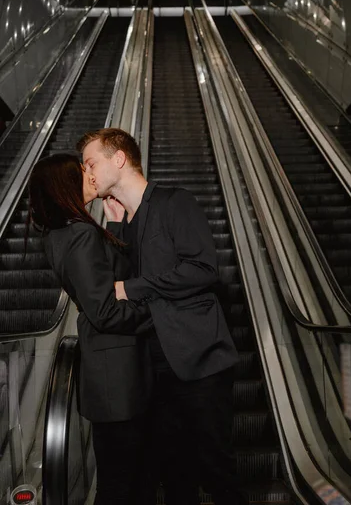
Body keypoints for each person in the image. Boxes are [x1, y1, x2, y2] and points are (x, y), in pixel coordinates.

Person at [77, 127, 247, 505]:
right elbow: (114, 289)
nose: (87, 174)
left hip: (199, 362)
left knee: (217, 469)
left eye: (91, 163)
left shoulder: (175, 202)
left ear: (118, 159)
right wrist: (116, 228)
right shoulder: (124, 221)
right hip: (151, 369)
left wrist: (133, 288)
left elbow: (203, 268)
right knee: (173, 474)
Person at [28, 153, 153, 505]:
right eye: (83, 172)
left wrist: (113, 229)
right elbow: (104, 312)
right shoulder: (80, 234)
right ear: (65, 184)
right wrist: (158, 312)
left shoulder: (60, 234)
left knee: (121, 479)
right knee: (122, 483)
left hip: (108, 375)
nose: (92, 176)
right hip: (118, 377)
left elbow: (98, 281)